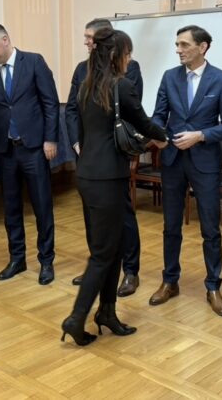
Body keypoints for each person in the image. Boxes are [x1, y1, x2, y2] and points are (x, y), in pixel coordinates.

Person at [61, 28, 167, 346]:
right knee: (103, 254)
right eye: (128, 54)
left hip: (89, 174)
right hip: (107, 178)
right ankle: (76, 317)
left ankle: (106, 312)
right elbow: (143, 122)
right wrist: (163, 136)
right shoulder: (121, 85)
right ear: (115, 55)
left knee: (115, 246)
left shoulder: (87, 85)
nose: (129, 60)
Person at [148, 25, 222, 316]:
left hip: (205, 162)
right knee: (170, 225)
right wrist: (158, 134)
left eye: (184, 44)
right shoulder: (169, 77)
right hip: (172, 160)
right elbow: (159, 115)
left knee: (210, 228)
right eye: (177, 44)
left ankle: (213, 286)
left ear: (203, 47)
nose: (178, 50)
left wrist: (200, 135)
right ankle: (169, 281)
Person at [0, 23, 60, 285]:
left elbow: (50, 103)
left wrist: (51, 139)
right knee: (10, 208)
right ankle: (17, 259)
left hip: (34, 148)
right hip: (6, 150)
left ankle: (46, 261)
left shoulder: (33, 62)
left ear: (5, 40)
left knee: (42, 206)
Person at [65, 17, 144, 297]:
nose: (86, 42)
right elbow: (72, 109)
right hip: (86, 156)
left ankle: (130, 271)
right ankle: (98, 266)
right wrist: (77, 142)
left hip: (113, 157)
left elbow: (129, 113)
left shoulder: (130, 67)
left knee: (123, 215)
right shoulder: (81, 69)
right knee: (92, 214)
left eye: (90, 37)